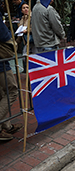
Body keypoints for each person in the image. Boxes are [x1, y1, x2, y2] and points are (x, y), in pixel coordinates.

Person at [0, 13, 23, 141]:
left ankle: (6, 125)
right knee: (12, 91)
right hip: (1, 63)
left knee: (2, 93)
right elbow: (4, 35)